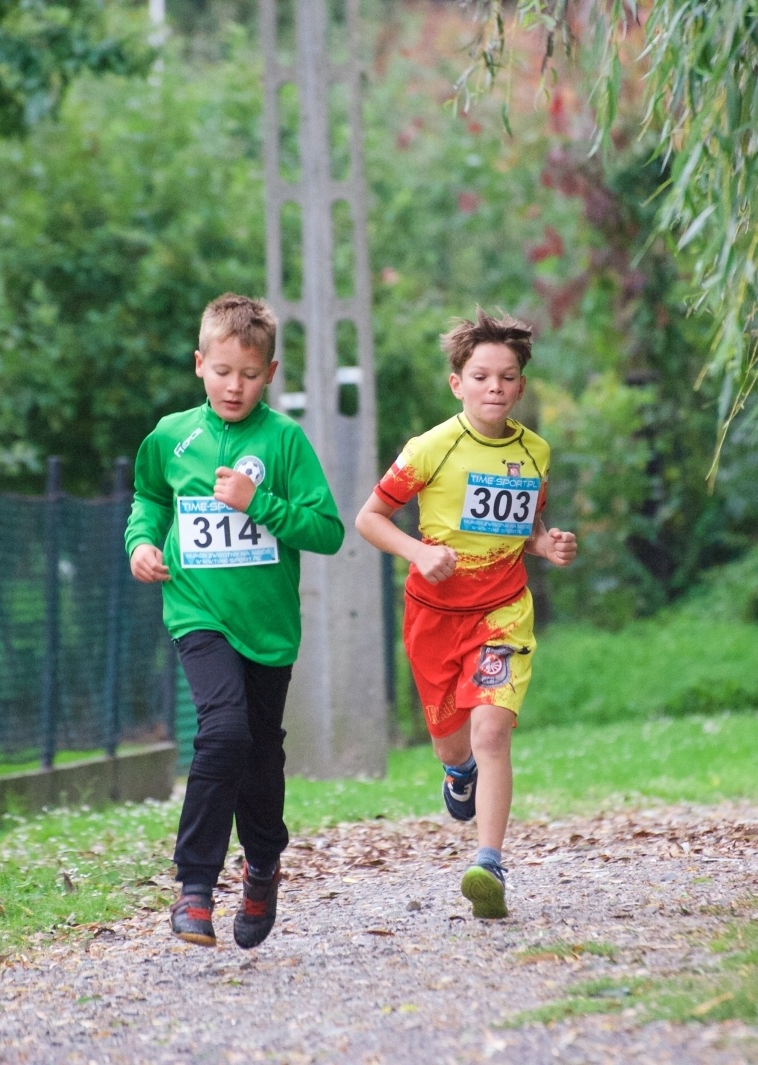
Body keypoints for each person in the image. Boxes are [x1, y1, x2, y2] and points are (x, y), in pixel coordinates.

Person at [125, 293, 344, 948]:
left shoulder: (284, 441)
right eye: (222, 371)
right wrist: (140, 542)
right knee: (222, 732)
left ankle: (263, 863)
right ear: (200, 364)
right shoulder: (171, 434)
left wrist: (262, 503)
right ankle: (194, 888)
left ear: (270, 373)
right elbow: (149, 497)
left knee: (260, 753)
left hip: (269, 626)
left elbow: (327, 530)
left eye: (249, 374)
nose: (234, 385)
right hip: (197, 611)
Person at [355, 309, 577, 920]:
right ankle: (458, 777)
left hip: (502, 612)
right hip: (434, 617)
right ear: (458, 383)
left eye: (507, 377)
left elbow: (526, 530)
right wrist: (419, 551)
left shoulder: (536, 452)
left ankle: (488, 863)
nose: (494, 388)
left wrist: (546, 545)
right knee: (453, 746)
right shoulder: (430, 447)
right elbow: (369, 519)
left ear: (521, 386)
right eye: (480, 376)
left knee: (492, 732)